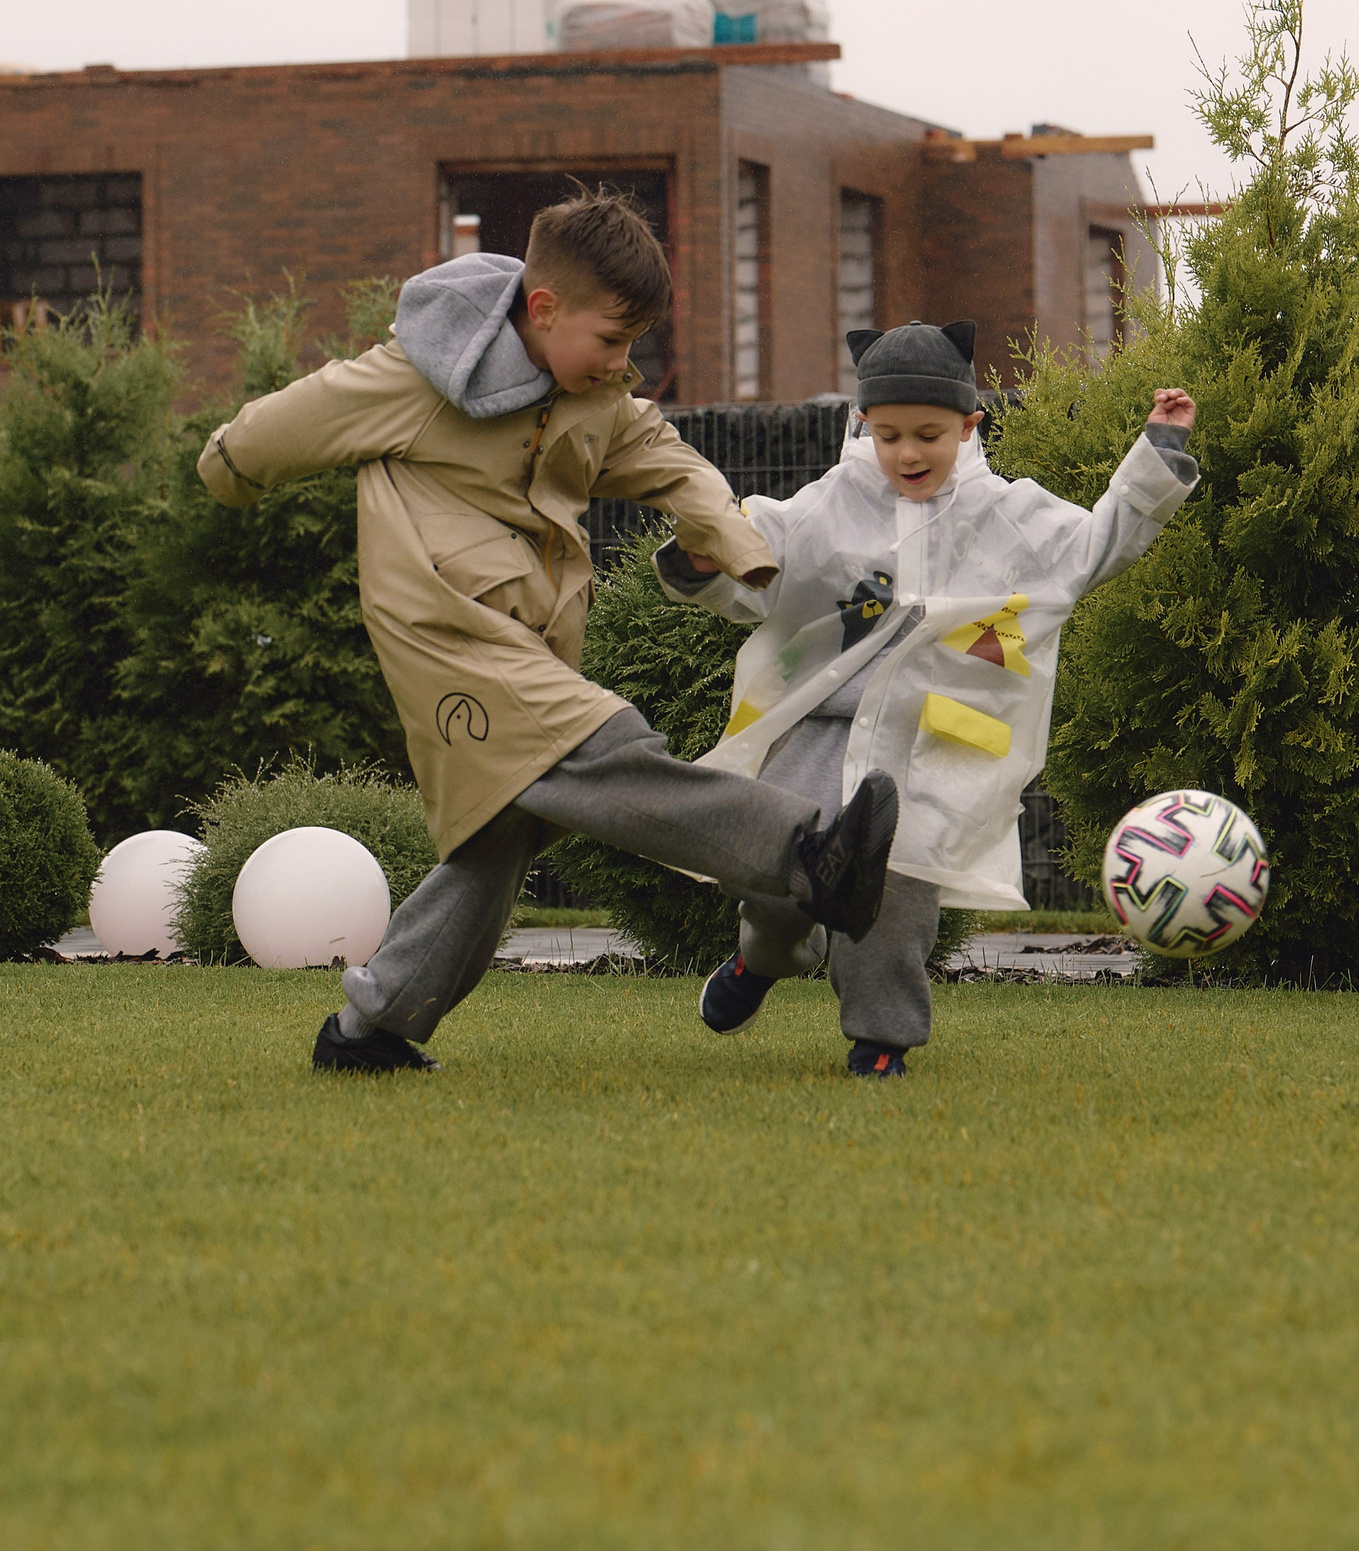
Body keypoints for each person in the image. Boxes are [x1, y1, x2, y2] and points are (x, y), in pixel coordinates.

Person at [196, 192, 898, 1073]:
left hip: (527, 644)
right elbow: (279, 428)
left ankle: (367, 1032)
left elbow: (670, 462)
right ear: (543, 308)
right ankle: (805, 854)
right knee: (607, 744)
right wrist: (225, 469)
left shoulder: (595, 397)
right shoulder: (412, 379)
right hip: (444, 634)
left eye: (633, 344)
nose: (623, 362)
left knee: (499, 844)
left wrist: (738, 549)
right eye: (611, 339)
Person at [654, 321, 1200, 1075]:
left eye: (929, 435)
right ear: (862, 426)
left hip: (931, 747)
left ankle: (880, 1038)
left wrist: (1157, 457)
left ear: (970, 426)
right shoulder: (829, 506)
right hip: (821, 732)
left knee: (899, 895)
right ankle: (764, 957)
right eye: (889, 435)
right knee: (778, 875)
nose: (909, 453)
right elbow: (760, 560)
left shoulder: (1010, 514)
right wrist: (700, 558)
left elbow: (1091, 549)